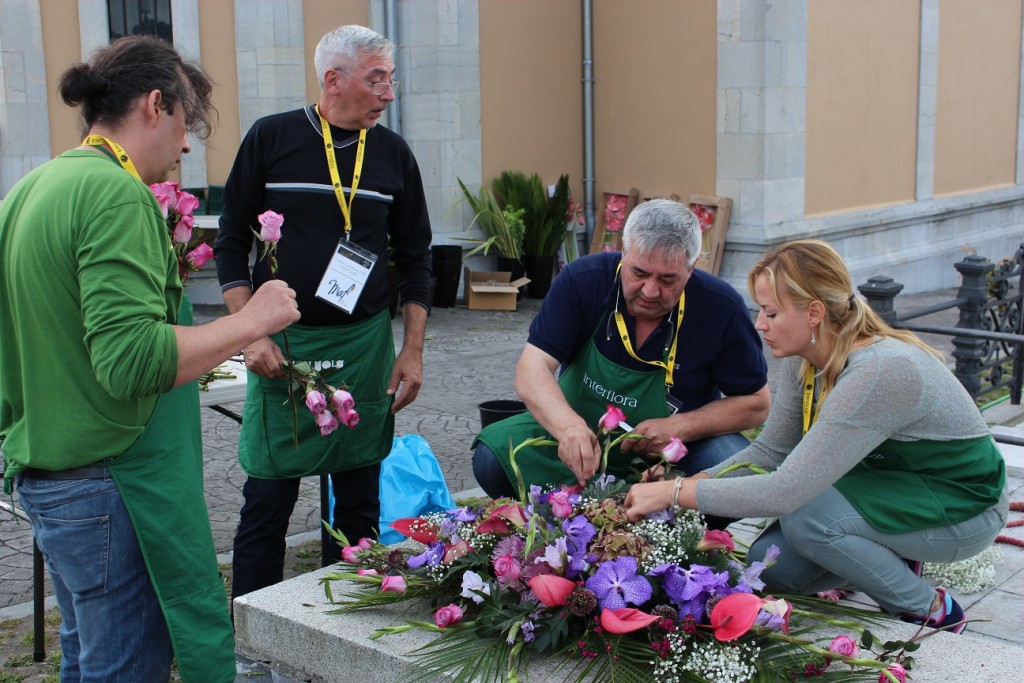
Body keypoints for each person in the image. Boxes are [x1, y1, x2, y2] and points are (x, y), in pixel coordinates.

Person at [0, 36, 300, 682]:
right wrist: (250, 321)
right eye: (186, 125)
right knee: (122, 667)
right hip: (110, 486)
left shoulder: (29, 190)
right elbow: (132, 360)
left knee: (85, 658)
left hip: (52, 479)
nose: (187, 147)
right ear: (155, 105)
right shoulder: (115, 193)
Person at [624, 239, 1009, 633]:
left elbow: (787, 491)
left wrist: (673, 495)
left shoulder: (878, 371)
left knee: (808, 519)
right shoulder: (804, 358)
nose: (760, 324)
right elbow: (769, 451)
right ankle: (891, 555)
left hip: (966, 507)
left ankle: (931, 608)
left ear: (814, 312)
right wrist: (688, 483)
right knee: (771, 569)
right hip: (891, 488)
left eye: (771, 312)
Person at [214, 25, 432, 600]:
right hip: (281, 348)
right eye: (377, 78)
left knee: (359, 499)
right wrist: (247, 332)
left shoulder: (392, 153)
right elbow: (231, 238)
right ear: (333, 80)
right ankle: (253, 627)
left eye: (391, 78)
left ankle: (348, 620)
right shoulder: (272, 138)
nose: (389, 93)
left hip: (363, 347)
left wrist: (411, 351)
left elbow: (415, 259)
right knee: (268, 499)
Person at [472, 199, 770, 498]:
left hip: (671, 451)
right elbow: (531, 369)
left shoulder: (721, 307)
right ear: (623, 253)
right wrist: (567, 427)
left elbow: (757, 403)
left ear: (691, 270)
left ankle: (673, 531)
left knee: (734, 471)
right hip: (580, 435)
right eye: (639, 273)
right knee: (491, 459)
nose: (650, 292)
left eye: (668, 280)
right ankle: (564, 514)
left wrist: (681, 426)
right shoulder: (583, 280)